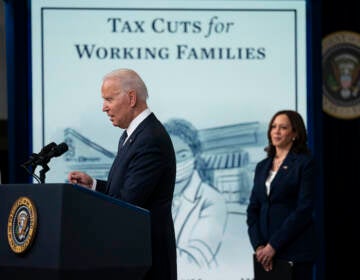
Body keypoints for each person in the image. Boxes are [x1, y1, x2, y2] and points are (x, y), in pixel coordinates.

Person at [67, 68, 177, 280]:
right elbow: (125, 191)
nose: (103, 108)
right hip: (133, 257)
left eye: (109, 99)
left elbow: (127, 205)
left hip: (146, 263)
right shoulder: (132, 135)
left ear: (131, 97)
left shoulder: (150, 138)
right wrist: (93, 186)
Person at [246, 110, 317, 280]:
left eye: (283, 127)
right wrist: (259, 247)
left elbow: (304, 209)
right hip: (264, 256)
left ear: (295, 133)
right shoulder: (262, 166)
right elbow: (253, 210)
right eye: (273, 127)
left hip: (294, 252)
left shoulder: (305, 164)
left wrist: (273, 246)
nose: (276, 131)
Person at [164, 118, 227, 270]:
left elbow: (196, 259)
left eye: (183, 155)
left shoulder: (211, 200)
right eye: (170, 152)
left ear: (195, 156)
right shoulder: (156, 194)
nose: (176, 161)